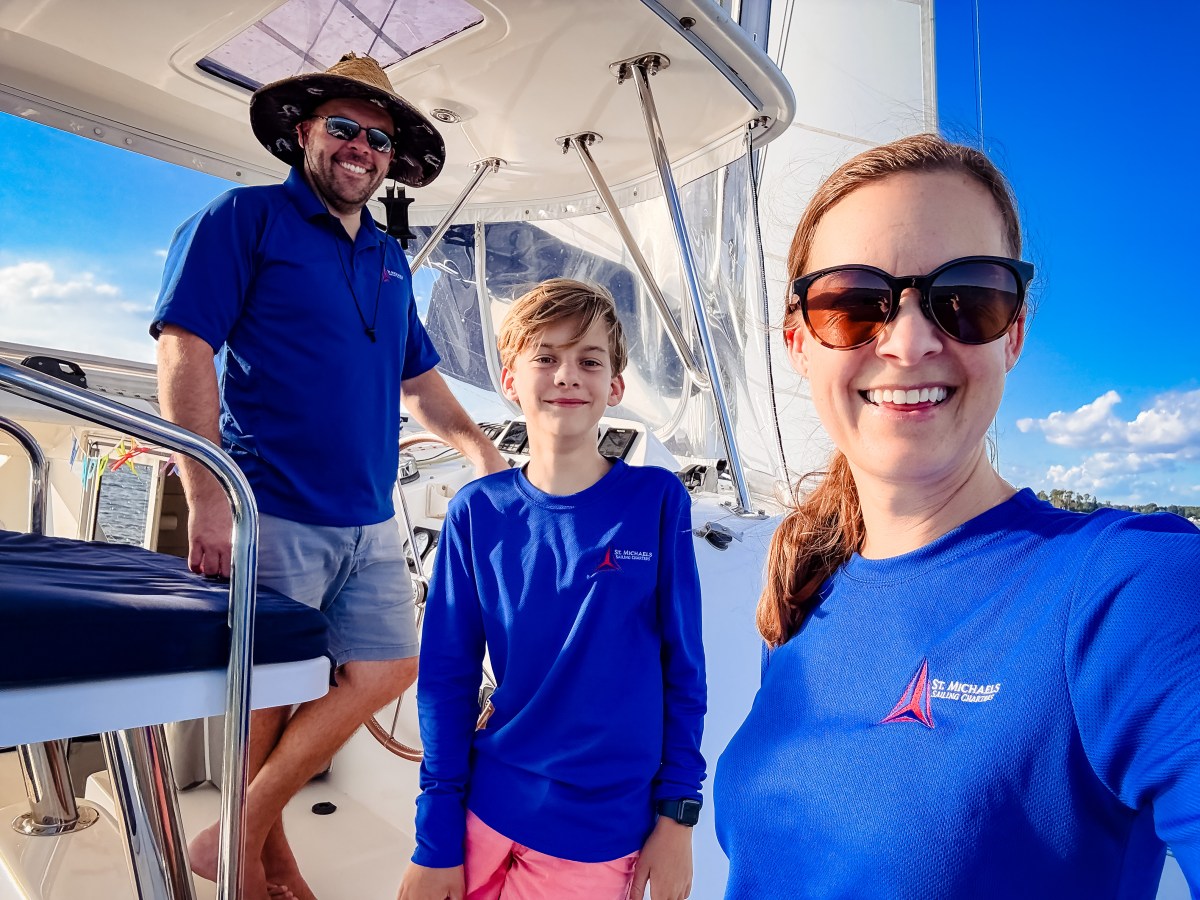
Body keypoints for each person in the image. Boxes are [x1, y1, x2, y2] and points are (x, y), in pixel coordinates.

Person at [713, 134, 1200, 898]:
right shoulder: (808, 588)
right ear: (799, 342)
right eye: (854, 305)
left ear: (1014, 333)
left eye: (967, 299)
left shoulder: (1126, 590)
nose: (909, 343)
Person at [152, 53, 506, 900]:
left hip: (369, 517)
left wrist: (484, 454)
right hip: (270, 505)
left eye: (379, 139)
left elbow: (419, 385)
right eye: (344, 128)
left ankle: (237, 833)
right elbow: (184, 348)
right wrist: (207, 495)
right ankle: (263, 868)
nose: (362, 148)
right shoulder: (244, 218)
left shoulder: (388, 259)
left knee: (390, 666)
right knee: (267, 698)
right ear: (304, 132)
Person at [397, 278, 707, 900]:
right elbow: (447, 681)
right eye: (545, 357)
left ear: (615, 386)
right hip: (484, 810)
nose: (567, 375)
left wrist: (677, 818)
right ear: (510, 379)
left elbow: (684, 668)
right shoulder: (476, 512)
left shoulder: (656, 501)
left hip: (597, 834)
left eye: (589, 361)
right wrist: (435, 839)